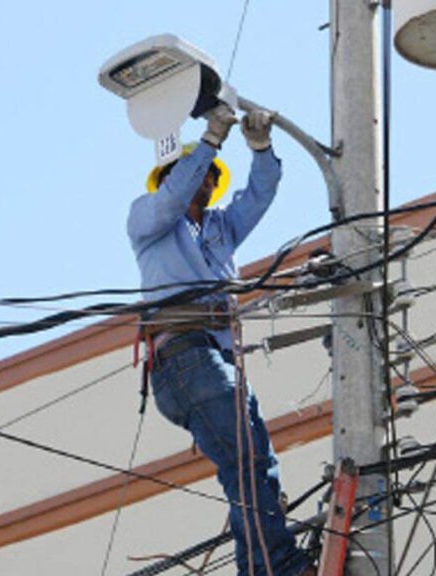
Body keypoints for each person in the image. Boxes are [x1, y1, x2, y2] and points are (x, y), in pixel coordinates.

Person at [127, 104, 315, 576]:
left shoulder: (219, 230)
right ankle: (279, 567)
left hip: (218, 361)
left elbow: (261, 193)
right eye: (200, 170)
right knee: (245, 459)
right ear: (176, 176)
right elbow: (171, 201)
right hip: (184, 356)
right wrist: (210, 138)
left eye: (211, 171)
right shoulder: (149, 221)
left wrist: (261, 148)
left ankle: (261, 567)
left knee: (258, 464)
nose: (208, 178)